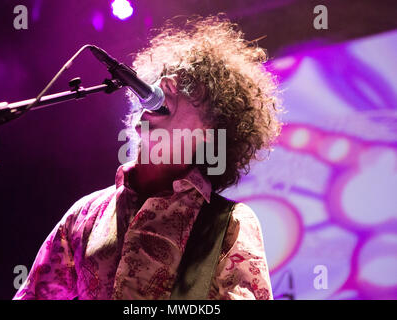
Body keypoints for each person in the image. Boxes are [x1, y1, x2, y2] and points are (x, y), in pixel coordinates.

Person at [14, 14, 282, 300]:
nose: (166, 82)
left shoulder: (228, 224)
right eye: (164, 76)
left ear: (212, 132)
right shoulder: (85, 215)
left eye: (189, 87)